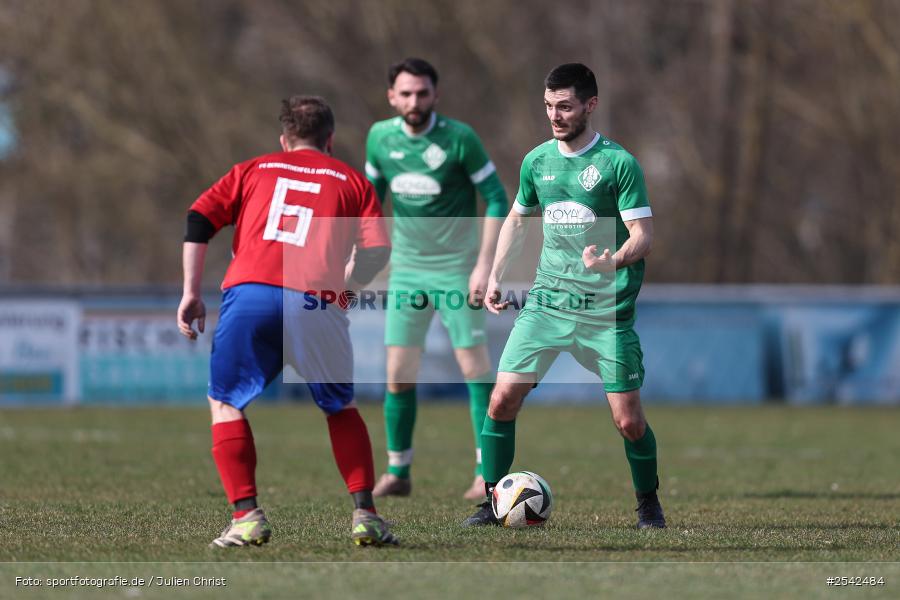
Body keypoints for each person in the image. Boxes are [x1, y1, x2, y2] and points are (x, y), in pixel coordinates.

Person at [177, 95, 399, 547]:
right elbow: (377, 249)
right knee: (339, 406)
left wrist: (190, 293)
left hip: (252, 292)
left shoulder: (254, 168)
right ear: (330, 140)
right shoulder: (353, 181)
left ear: (284, 139)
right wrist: (347, 288)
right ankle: (366, 516)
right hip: (317, 299)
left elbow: (198, 219)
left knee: (225, 403)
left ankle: (246, 516)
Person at [462, 63, 666, 529]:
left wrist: (612, 260)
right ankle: (490, 504)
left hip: (606, 313)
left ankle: (648, 505)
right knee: (501, 400)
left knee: (629, 422)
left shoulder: (618, 164)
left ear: (590, 106)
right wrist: (496, 274)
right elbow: (517, 218)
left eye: (566, 106)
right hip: (547, 304)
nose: (555, 115)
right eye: (550, 106)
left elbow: (644, 236)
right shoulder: (537, 161)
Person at [364, 58, 509, 499]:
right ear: (392, 96)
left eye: (422, 93)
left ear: (435, 95)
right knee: (397, 374)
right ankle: (397, 472)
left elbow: (498, 200)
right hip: (407, 273)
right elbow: (369, 203)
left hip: (457, 271)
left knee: (475, 370)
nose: (414, 101)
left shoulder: (459, 139)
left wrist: (485, 265)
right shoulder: (378, 138)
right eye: (405, 94)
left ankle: (486, 474)